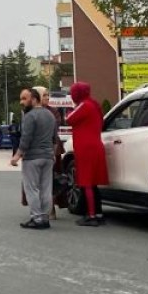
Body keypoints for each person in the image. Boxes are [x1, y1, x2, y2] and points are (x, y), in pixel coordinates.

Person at [10, 88, 57, 229]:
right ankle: (45, 218)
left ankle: (36, 218)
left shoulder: (29, 116)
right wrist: (52, 154)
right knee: (46, 189)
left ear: (35, 99)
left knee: (32, 189)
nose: (22, 102)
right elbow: (55, 138)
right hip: (48, 156)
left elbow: (26, 138)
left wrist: (17, 156)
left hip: (32, 157)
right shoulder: (50, 115)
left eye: (25, 99)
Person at [67, 81, 108, 226]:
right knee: (93, 183)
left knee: (86, 182)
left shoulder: (84, 105)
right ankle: (98, 213)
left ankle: (91, 215)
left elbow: (69, 119)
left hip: (85, 149)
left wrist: (70, 110)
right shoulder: (95, 106)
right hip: (95, 146)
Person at [34, 86, 65, 219]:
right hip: (35, 150)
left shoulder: (53, 112)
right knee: (36, 181)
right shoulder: (30, 111)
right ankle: (38, 208)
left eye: (48, 95)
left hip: (51, 149)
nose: (47, 97)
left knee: (51, 179)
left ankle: (51, 208)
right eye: (44, 95)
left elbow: (53, 128)